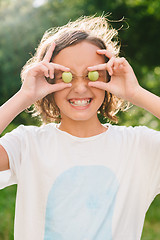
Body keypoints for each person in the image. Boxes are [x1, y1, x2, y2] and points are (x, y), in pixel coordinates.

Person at [0, 15, 160, 240]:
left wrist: (136, 93)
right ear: (50, 81)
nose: (80, 87)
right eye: (66, 76)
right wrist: (24, 96)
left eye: (91, 74)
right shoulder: (27, 144)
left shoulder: (139, 146)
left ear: (107, 77)